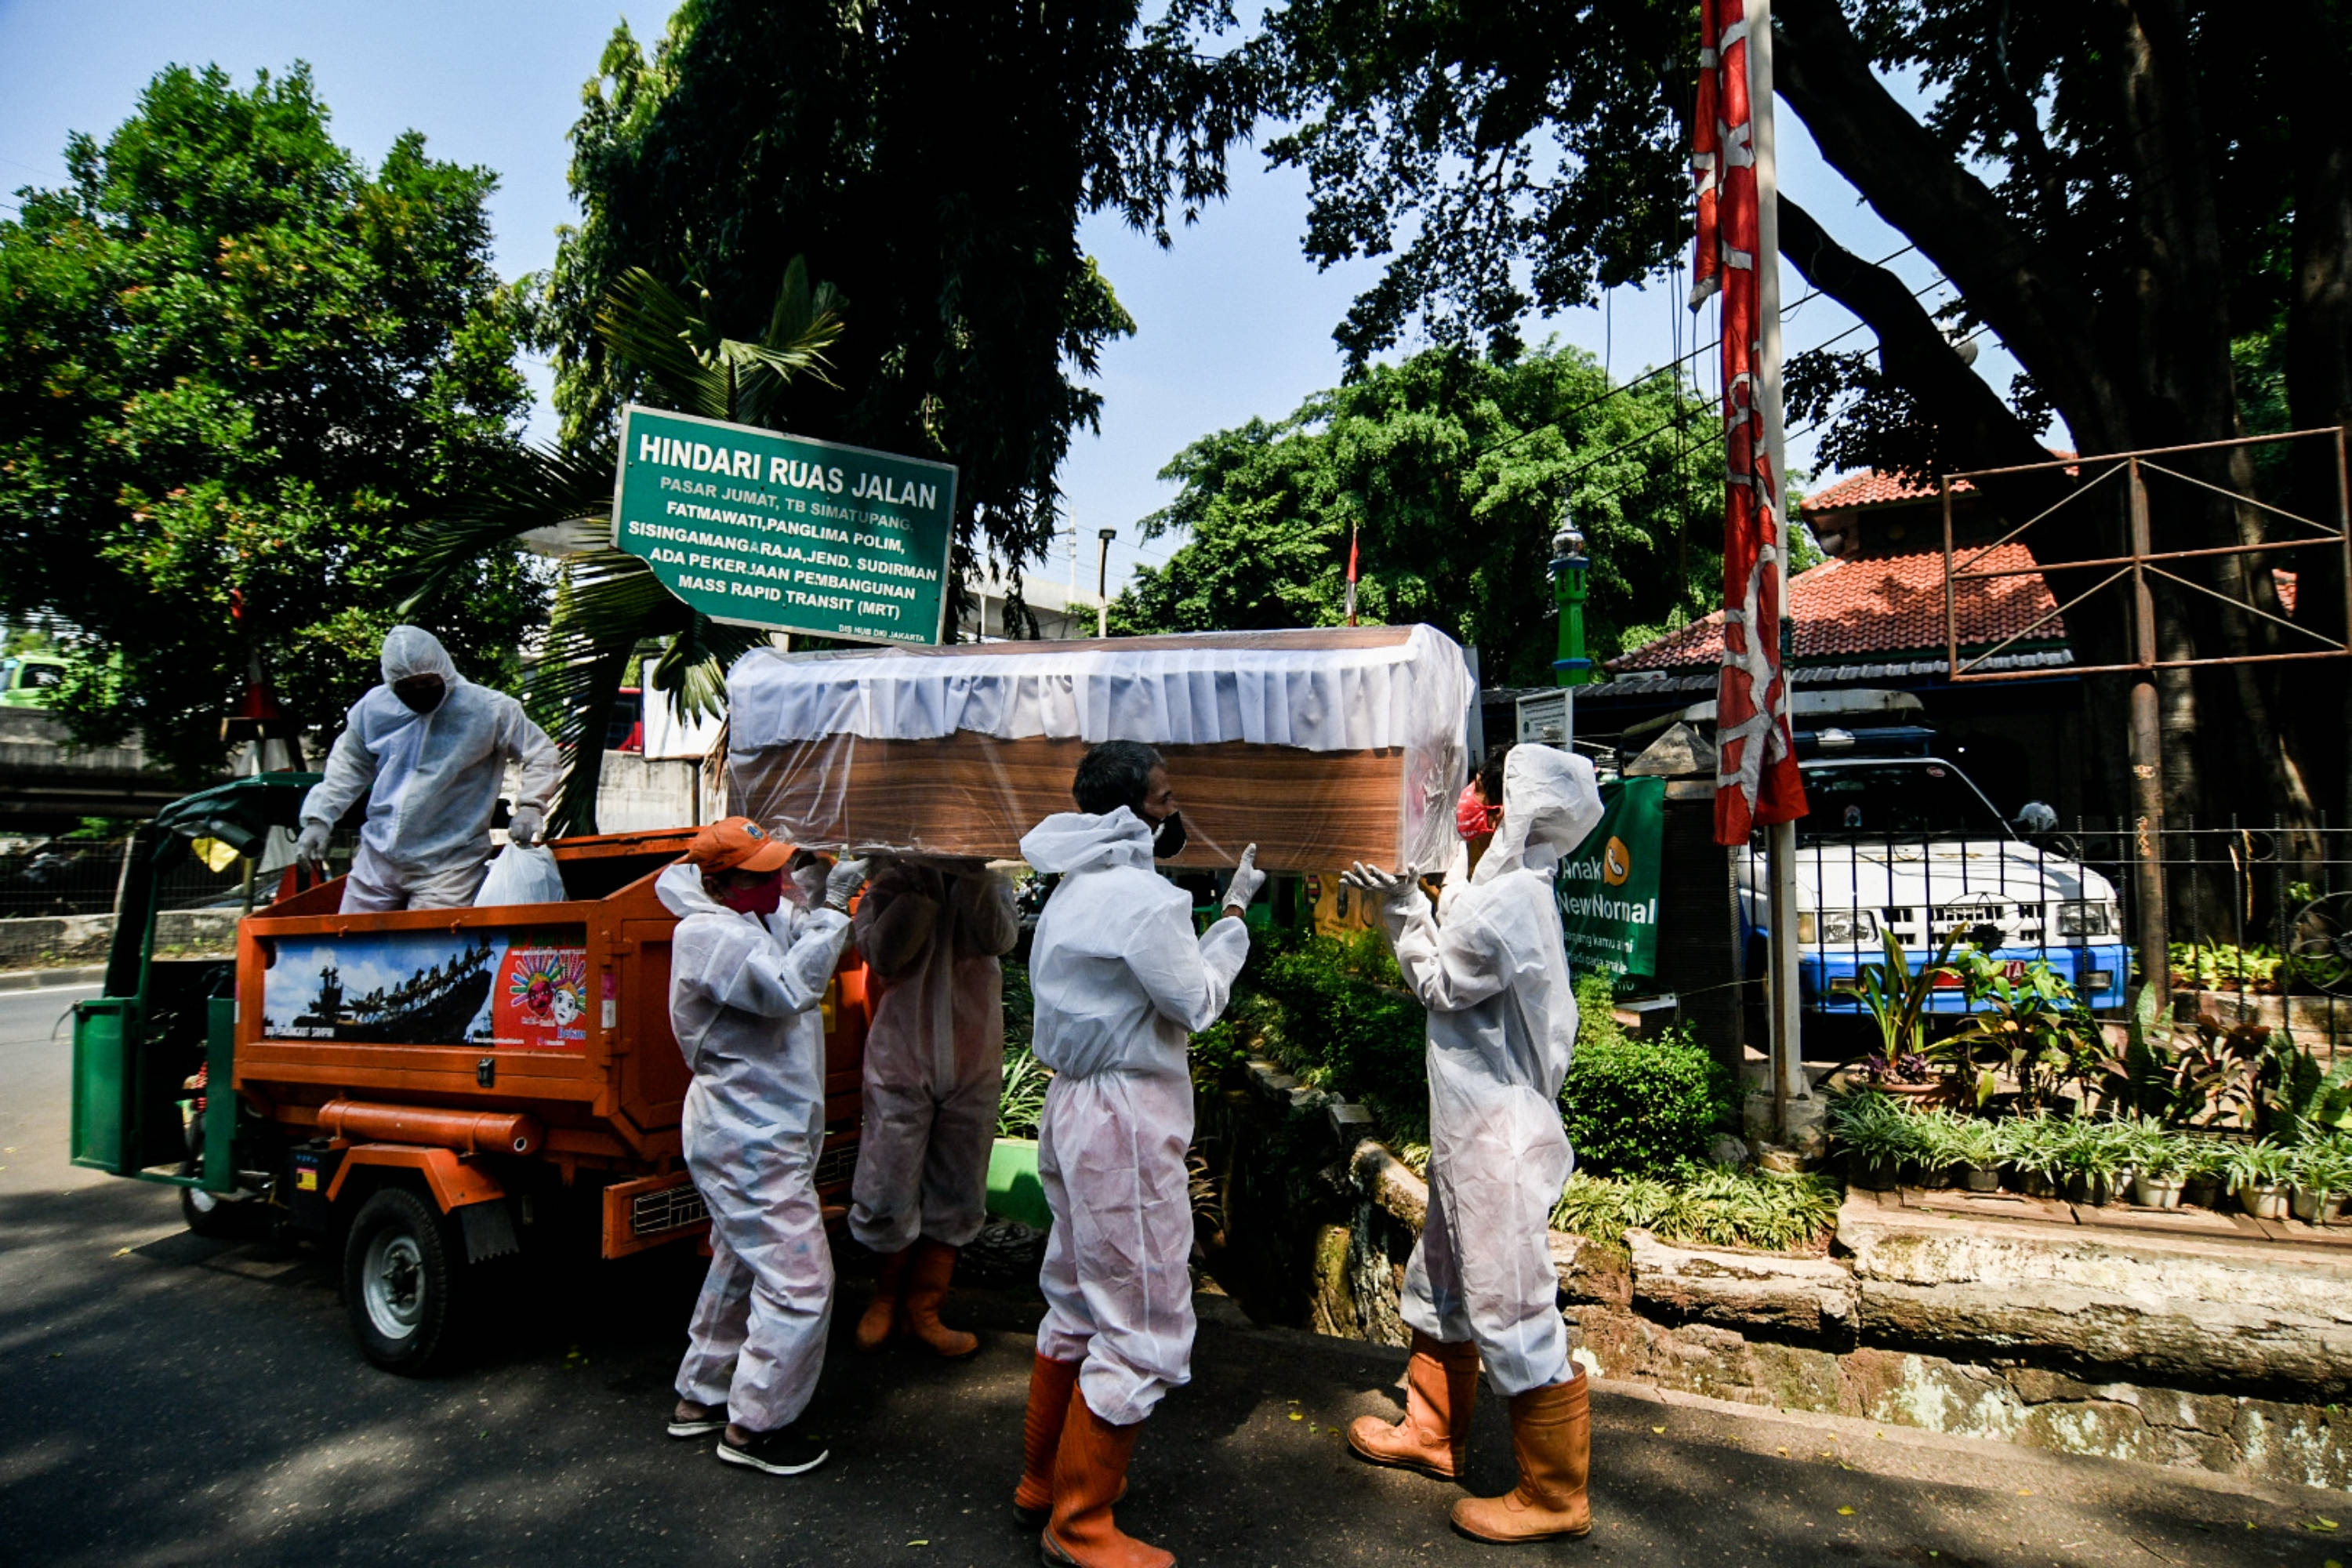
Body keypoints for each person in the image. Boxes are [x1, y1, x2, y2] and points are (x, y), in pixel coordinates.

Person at [1340, 744, 1604, 1544]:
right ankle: (1430, 1430)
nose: (1466, 797)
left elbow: (1442, 979)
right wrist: (1425, 883)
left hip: (1496, 1134)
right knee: (1443, 1279)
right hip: (1476, 1126)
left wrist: (1398, 909)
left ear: (1510, 807)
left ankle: (1555, 1493)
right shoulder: (1512, 885)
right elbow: (1462, 909)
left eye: (1479, 788)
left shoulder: (1508, 902)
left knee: (1510, 1299)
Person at [1011, 740, 1264, 1568]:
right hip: (1124, 1117)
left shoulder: (1070, 892)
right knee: (1145, 1320)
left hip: (1069, 1106)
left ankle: (1041, 1481)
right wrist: (1230, 924)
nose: (1171, 809)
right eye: (1162, 796)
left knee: (1077, 1296)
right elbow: (1193, 1002)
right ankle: (1081, 1524)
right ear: (1129, 809)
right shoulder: (1146, 901)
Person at [656, 816, 868, 1477]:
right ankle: (756, 1428)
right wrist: (834, 906)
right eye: (767, 873)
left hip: (760, 1130)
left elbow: (797, 935)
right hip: (746, 1137)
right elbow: (788, 986)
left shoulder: (746, 920)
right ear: (724, 883)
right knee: (802, 1282)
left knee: (739, 1263)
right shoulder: (707, 936)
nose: (780, 881)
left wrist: (818, 885)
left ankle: (703, 1396)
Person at [848, 856, 1020, 1356]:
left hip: (972, 1056)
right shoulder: (890, 883)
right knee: (887, 1182)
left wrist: (975, 880)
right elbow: (883, 955)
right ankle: (884, 1299)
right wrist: (918, 894)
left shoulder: (992, 883)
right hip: (902, 1056)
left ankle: (926, 1310)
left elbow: (999, 940)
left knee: (960, 1184)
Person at [294, 625, 559, 912]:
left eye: (427, 682)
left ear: (444, 670)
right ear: (391, 683)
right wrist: (318, 819)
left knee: (429, 950)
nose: (419, 692)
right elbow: (346, 767)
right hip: (379, 856)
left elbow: (541, 752)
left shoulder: (489, 709)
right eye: (407, 687)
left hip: (450, 863)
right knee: (352, 944)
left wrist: (531, 805)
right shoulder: (374, 709)